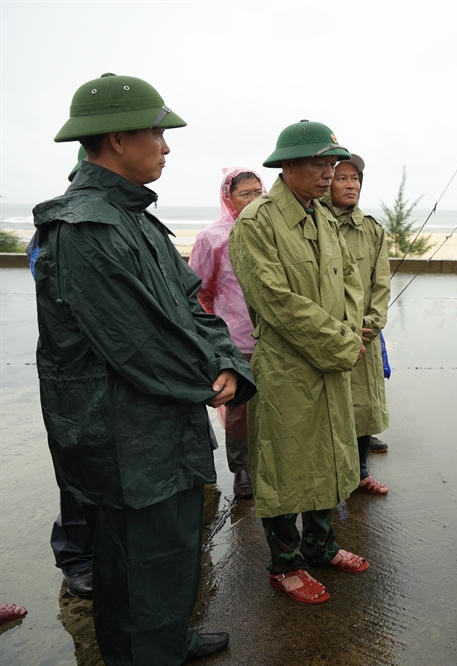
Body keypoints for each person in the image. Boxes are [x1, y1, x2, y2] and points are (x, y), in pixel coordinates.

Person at [33, 72, 255, 663]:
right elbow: (132, 343)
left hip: (161, 424)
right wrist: (208, 384)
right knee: (135, 557)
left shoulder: (136, 220)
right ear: (116, 141)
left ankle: (166, 637)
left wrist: (229, 362)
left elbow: (193, 307)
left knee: (173, 547)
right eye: (156, 132)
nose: (166, 145)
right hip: (123, 432)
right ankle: (144, 651)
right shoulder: (84, 227)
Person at [229, 120, 370, 606]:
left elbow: (350, 279)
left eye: (333, 163)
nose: (329, 173)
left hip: (330, 359)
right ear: (286, 165)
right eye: (318, 162)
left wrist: (353, 330)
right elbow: (275, 300)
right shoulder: (257, 223)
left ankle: (322, 545)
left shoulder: (324, 217)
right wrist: (339, 342)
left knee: (328, 456)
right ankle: (285, 565)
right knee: (284, 466)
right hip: (287, 365)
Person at [26, 148, 96, 600]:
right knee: (77, 477)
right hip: (72, 375)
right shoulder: (57, 232)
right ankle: (76, 560)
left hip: (104, 378)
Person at [189, 167, 267, 499]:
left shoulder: (269, 231)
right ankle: (242, 469)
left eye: (258, 192)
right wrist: (215, 328)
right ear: (227, 197)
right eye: (244, 193)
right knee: (240, 409)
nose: (253, 199)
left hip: (274, 335)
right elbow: (198, 289)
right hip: (234, 337)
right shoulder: (213, 237)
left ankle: (272, 463)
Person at [322, 153, 391, 493]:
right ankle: (333, 476)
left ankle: (361, 472)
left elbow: (381, 282)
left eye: (355, 179)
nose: (351, 185)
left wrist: (372, 323)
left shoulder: (372, 230)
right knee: (327, 408)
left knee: (363, 406)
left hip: (364, 335)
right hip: (328, 335)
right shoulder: (317, 222)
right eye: (342, 178)